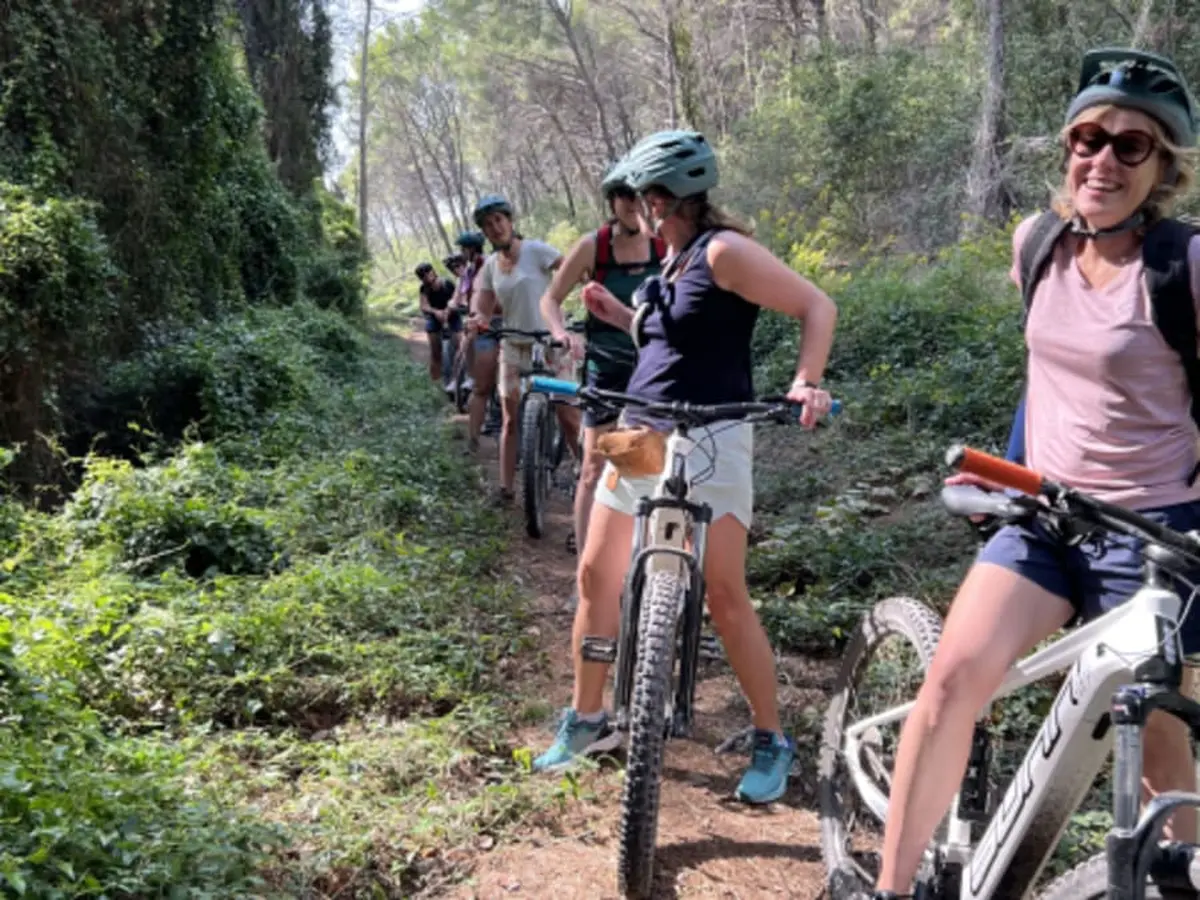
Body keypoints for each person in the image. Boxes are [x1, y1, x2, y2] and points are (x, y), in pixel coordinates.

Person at [873, 48, 1200, 898]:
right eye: (1090, 137)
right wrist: (1012, 473)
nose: (1104, 159)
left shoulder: (1186, 267)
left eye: (1132, 146)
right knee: (950, 684)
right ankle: (893, 887)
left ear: (1162, 167)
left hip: (1155, 535)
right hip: (1049, 517)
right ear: (1068, 148)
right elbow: (1049, 372)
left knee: (1163, 749)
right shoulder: (1038, 243)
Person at [531, 130, 838, 807]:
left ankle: (770, 738)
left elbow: (818, 305)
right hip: (637, 429)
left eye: (647, 202)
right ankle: (587, 721)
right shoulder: (667, 267)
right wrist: (618, 315)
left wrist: (806, 380)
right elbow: (674, 341)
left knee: (725, 594)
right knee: (593, 573)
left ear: (669, 200)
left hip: (713, 434)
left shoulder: (724, 252)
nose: (640, 215)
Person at [540, 160, 665, 557]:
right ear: (612, 201)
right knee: (593, 467)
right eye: (627, 196)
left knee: (660, 465)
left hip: (657, 366)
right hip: (606, 365)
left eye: (642, 195)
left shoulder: (665, 244)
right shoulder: (594, 246)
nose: (635, 203)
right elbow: (551, 298)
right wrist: (561, 333)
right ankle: (585, 564)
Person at [468, 194, 581, 501]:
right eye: (488, 225)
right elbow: (485, 303)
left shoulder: (536, 250)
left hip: (552, 343)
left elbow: (572, 269)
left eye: (499, 220)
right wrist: (479, 318)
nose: (495, 228)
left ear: (510, 221)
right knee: (509, 419)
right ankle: (505, 489)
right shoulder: (491, 265)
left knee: (569, 418)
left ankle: (587, 477)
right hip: (513, 345)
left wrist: (573, 300)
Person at [456, 230, 501, 447]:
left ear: (471, 249)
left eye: (463, 249)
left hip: (496, 326)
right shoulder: (472, 269)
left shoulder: (485, 266)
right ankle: (473, 438)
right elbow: (472, 298)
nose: (461, 253)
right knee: (481, 385)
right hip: (483, 326)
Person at [416, 262, 460, 385]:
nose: (427, 277)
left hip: (452, 315)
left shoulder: (447, 283)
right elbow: (423, 305)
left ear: (433, 272)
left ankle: (460, 378)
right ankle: (435, 385)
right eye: (423, 276)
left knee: (460, 346)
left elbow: (457, 299)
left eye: (428, 273)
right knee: (435, 352)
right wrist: (435, 312)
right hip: (435, 318)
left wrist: (448, 311)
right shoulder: (424, 288)